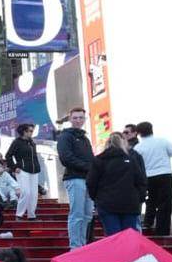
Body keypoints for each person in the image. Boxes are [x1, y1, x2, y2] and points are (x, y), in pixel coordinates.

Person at [86, 131, 148, 235]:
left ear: (107, 144)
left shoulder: (99, 160)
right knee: (128, 237)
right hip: (130, 204)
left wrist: (97, 199)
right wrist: (139, 199)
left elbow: (91, 182)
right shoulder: (131, 160)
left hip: (107, 204)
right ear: (122, 143)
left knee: (113, 237)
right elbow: (141, 181)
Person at [57, 107, 96, 249]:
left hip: (88, 179)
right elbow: (66, 158)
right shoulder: (65, 136)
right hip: (74, 178)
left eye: (81, 117)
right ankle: (75, 247)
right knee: (77, 214)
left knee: (87, 215)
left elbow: (91, 158)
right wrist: (88, 167)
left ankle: (82, 245)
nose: (78, 120)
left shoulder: (84, 138)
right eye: (75, 118)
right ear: (70, 119)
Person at [134, 122, 172, 237]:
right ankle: (162, 229)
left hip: (148, 175)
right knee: (165, 203)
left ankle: (148, 222)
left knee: (151, 201)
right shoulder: (162, 141)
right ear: (151, 129)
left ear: (139, 133)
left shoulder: (138, 147)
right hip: (164, 174)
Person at [5, 124, 41, 220]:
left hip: (34, 170)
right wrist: (14, 167)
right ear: (24, 132)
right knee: (26, 192)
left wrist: (37, 166)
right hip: (22, 170)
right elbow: (8, 155)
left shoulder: (31, 142)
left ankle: (31, 215)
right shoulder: (17, 142)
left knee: (34, 194)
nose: (32, 133)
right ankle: (19, 214)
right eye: (30, 131)